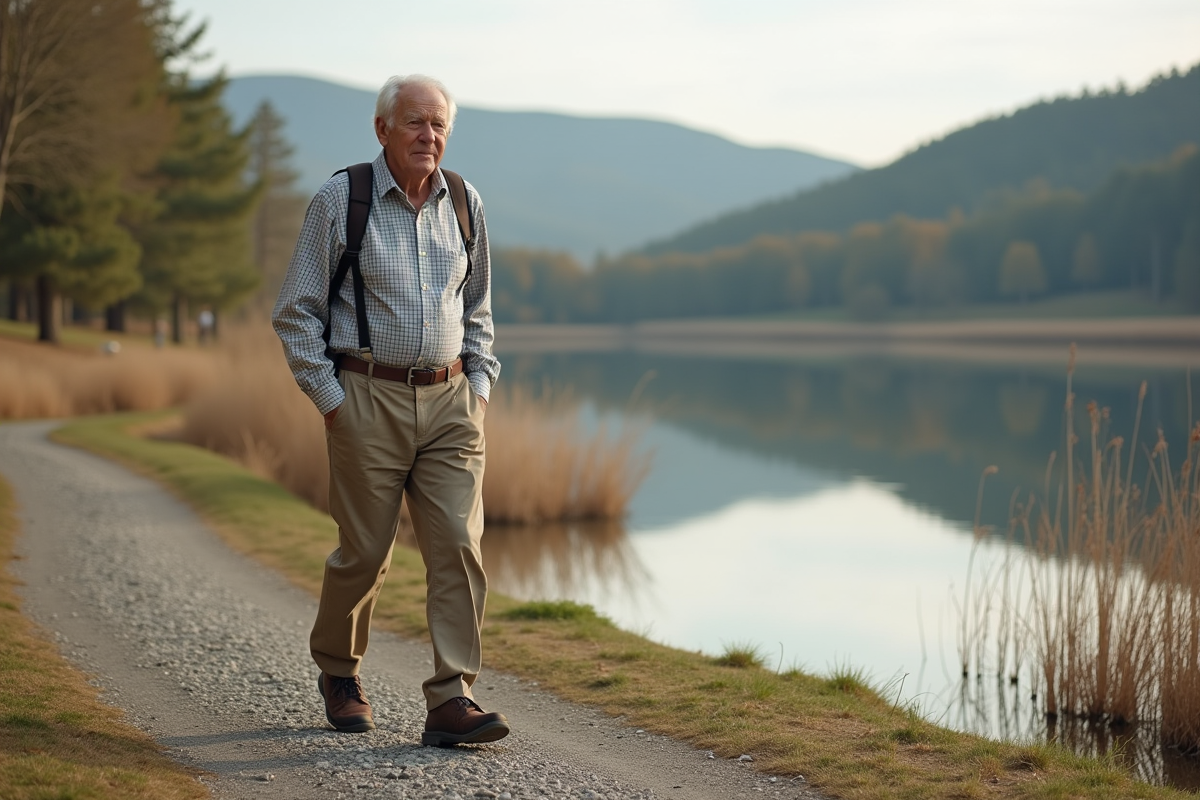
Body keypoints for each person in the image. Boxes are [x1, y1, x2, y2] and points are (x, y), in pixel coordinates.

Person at [272, 74, 506, 746]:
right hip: (365, 397)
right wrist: (332, 402)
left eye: (438, 125)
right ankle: (340, 673)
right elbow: (296, 314)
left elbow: (479, 311)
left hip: (452, 401)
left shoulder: (465, 202)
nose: (428, 136)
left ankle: (451, 698)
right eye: (414, 123)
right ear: (383, 129)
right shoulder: (339, 200)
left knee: (459, 546)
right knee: (365, 553)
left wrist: (480, 390)